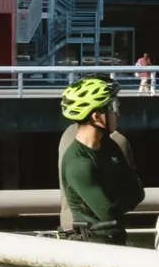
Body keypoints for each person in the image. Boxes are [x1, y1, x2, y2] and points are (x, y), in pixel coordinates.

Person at [56, 75, 145, 243]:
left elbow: (137, 193)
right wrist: (122, 199)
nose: (118, 112)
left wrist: (119, 201)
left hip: (112, 241)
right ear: (97, 117)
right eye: (113, 107)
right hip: (89, 247)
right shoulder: (78, 162)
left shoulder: (110, 145)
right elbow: (107, 212)